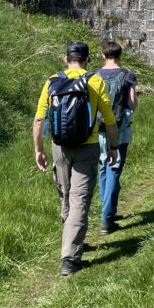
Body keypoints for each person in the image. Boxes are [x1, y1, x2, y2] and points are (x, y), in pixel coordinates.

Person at [33, 42, 118, 276]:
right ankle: (70, 258)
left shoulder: (52, 80)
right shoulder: (95, 81)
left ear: (66, 59)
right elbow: (109, 119)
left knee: (65, 194)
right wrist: (113, 147)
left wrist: (39, 149)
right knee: (79, 200)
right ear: (87, 60)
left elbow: (39, 119)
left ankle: (72, 239)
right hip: (88, 146)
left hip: (59, 147)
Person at [95, 41, 138, 235]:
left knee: (103, 168)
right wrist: (133, 87)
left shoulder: (94, 76)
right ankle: (107, 218)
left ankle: (108, 210)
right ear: (120, 56)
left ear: (103, 56)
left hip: (99, 129)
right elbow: (132, 104)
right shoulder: (127, 75)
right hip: (120, 129)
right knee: (114, 169)